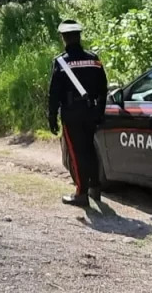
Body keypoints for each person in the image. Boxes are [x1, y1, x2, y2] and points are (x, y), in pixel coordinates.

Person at [48, 19, 108, 207]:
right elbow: (103, 88)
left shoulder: (61, 62)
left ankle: (81, 193)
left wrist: (52, 116)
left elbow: (54, 92)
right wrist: (100, 111)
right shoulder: (93, 59)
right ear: (79, 36)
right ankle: (95, 188)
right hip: (91, 110)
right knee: (90, 149)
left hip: (71, 112)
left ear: (64, 38)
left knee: (76, 152)